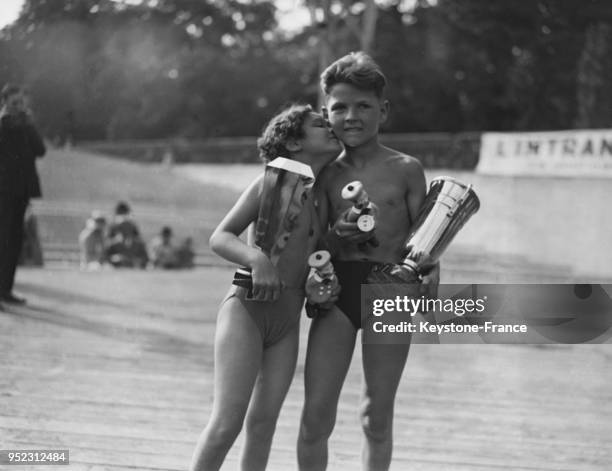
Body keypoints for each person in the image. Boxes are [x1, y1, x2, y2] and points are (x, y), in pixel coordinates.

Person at [297, 52, 440, 471]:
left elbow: (428, 240)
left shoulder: (407, 170)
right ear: (327, 112)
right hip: (337, 291)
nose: (351, 116)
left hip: (390, 291)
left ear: (384, 110)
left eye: (363, 106)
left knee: (375, 416)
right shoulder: (322, 173)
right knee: (315, 417)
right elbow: (311, 242)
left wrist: (431, 274)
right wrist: (333, 238)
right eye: (339, 107)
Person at [190, 104, 341, 471]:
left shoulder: (320, 199)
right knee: (227, 423)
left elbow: (306, 260)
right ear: (292, 143)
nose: (331, 126)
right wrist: (256, 260)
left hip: (287, 323)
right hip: (247, 311)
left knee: (263, 424)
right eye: (320, 124)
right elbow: (220, 237)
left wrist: (316, 286)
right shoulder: (270, 182)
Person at [0, 83, 46, 308]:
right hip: (4, 190)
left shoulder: (24, 125)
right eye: (14, 102)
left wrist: (29, 124)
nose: (18, 107)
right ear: (5, 101)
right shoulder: (3, 124)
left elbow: (40, 150)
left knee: (14, 242)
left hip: (20, 191)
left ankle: (5, 289)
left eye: (21, 102)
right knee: (3, 240)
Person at [105, 201, 149, 268]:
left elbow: (145, 260)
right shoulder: (112, 244)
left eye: (127, 227)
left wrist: (134, 261)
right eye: (123, 228)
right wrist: (115, 259)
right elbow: (105, 258)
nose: (126, 230)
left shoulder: (138, 245)